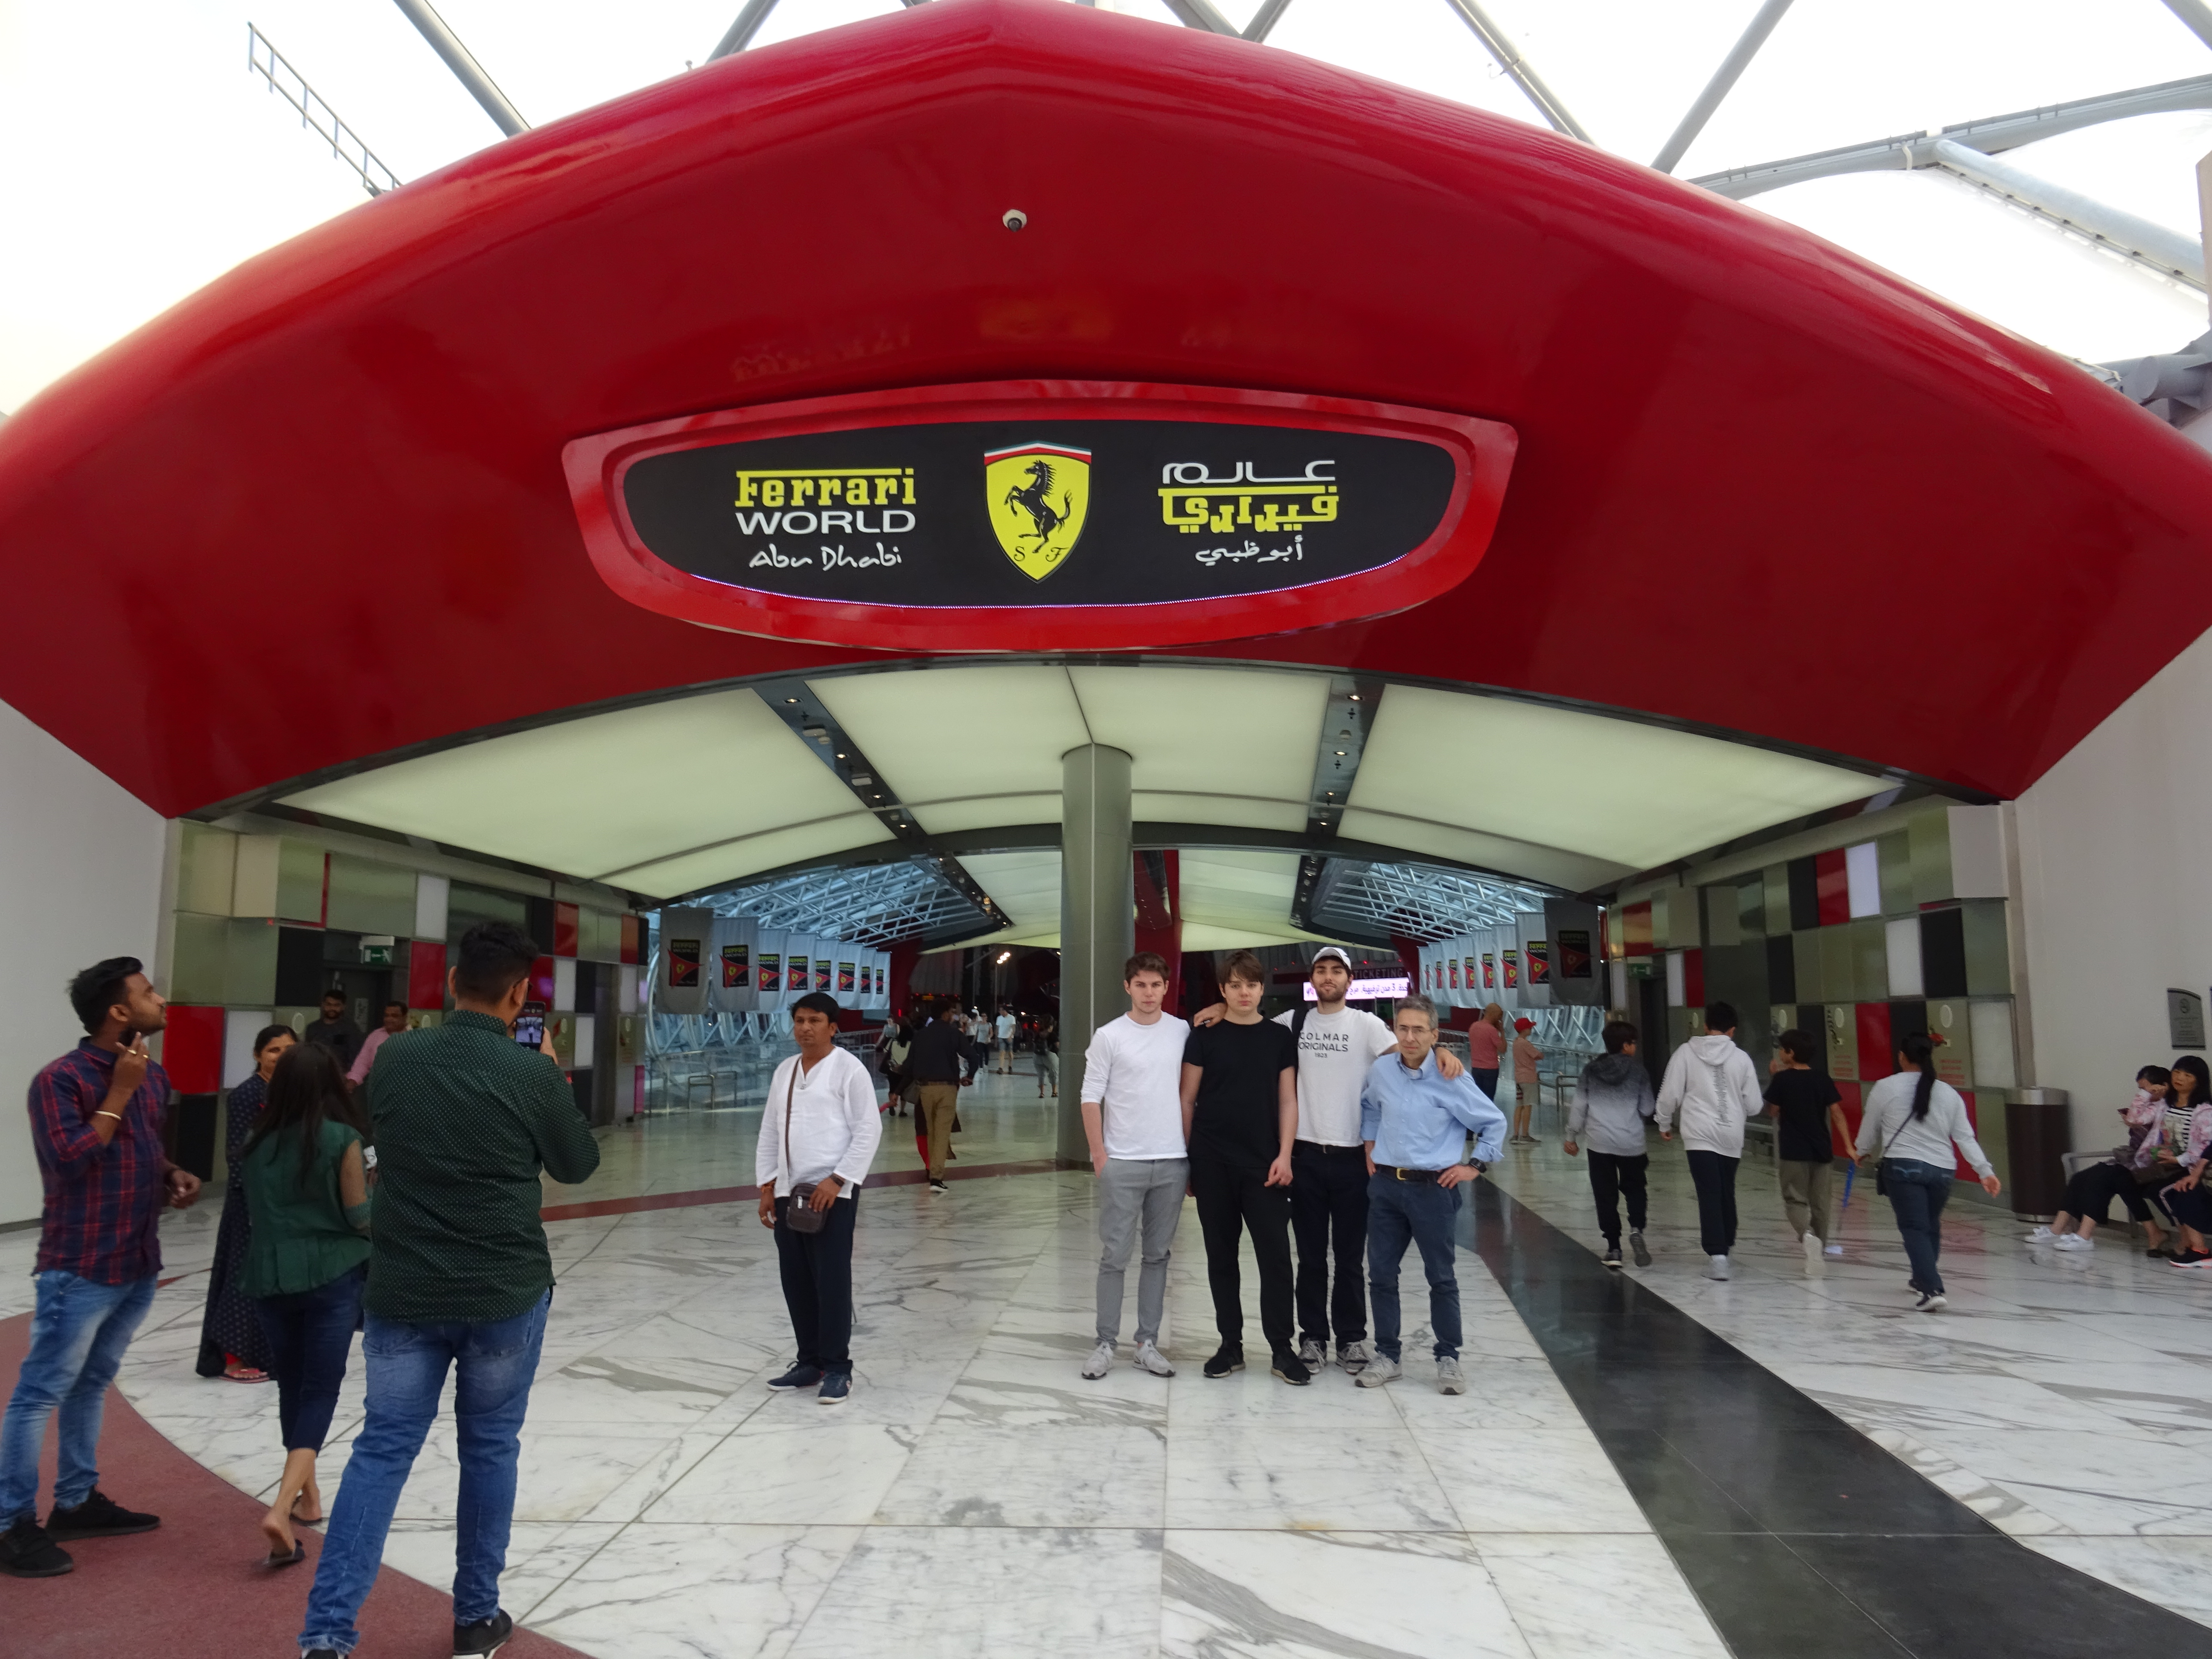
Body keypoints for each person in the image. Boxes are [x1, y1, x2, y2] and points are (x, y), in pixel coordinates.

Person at [296, 922, 600, 1659]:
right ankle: (474, 1620)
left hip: (404, 1289)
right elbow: (577, 1164)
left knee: (381, 1450)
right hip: (503, 1290)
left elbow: (382, 1128)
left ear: (453, 983)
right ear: (520, 995)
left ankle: (327, 1634)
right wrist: (550, 1074)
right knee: (489, 1448)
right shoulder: (529, 1072)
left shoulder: (397, 1055)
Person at [0, 957, 201, 1579]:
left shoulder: (152, 1074)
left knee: (92, 1383)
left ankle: (76, 1501)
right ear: (118, 1012)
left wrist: (171, 1173)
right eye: (147, 993)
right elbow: (69, 1160)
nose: (160, 1000)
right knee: (39, 1394)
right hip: (81, 1264)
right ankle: (9, 1524)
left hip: (136, 1260)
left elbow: (143, 1146)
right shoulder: (60, 1080)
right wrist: (118, 1092)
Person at [1192, 945, 1466, 1374]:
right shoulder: (1292, 1023)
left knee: (1350, 1256)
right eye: (1321, 970)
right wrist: (1218, 1007)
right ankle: (1314, 1338)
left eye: (1337, 971)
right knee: (1311, 1257)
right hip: (1304, 1155)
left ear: (1349, 980)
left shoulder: (1366, 1025)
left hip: (1353, 1155)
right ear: (1312, 980)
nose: (1328, 977)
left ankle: (1352, 1338)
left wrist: (1442, 1051)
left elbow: (1409, 1050)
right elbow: (1247, 1017)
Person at [239, 1041, 372, 1566]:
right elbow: (359, 1216)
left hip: (270, 1275)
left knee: (291, 1385)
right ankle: (280, 1507)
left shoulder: (254, 1143)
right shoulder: (342, 1139)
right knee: (320, 1390)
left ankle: (308, 1497)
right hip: (331, 1276)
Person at [1355, 994, 1505, 1394]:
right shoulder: (1382, 1071)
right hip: (1386, 1187)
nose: (1409, 1037)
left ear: (1434, 1035)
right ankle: (1388, 1355)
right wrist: (1370, 1144)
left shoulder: (1451, 1076)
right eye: (1402, 1028)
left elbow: (1493, 1122)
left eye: (1419, 1030)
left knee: (1441, 1277)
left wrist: (1475, 1166)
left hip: (1433, 1190)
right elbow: (1369, 1107)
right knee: (1381, 1275)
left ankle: (1448, 1357)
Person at [1180, 949, 1304, 1383]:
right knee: (1221, 1255)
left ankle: (1282, 1348)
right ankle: (1230, 1345)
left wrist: (1285, 1154)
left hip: (1265, 1164)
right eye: (1234, 985)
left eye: (1250, 984)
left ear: (1261, 988)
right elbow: (1187, 1099)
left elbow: (1288, 1100)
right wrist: (1188, 1159)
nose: (1244, 992)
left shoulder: (1278, 1038)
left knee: (1276, 1258)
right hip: (1212, 1160)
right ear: (1223, 990)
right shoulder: (1204, 1036)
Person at [757, 992, 882, 1405]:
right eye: (799, 1020)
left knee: (831, 1281)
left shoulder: (849, 1070)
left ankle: (838, 1368)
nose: (805, 1028)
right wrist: (767, 1186)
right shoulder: (785, 1071)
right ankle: (809, 1362)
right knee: (796, 1280)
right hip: (787, 1192)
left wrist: (839, 1179)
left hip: (832, 1194)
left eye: (815, 1021)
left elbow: (869, 1129)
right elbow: (770, 1131)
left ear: (833, 1027)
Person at [1079, 953, 1190, 1380]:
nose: (1148, 993)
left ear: (1166, 988)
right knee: (1115, 1256)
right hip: (1122, 1161)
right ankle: (1106, 1343)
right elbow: (1091, 1096)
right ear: (1128, 987)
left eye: (1155, 985)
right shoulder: (1110, 1036)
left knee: (1158, 1256)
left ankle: (1147, 1343)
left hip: (1171, 1160)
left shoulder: (1181, 1031)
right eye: (1140, 984)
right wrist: (1099, 1155)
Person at [1855, 1031, 2000, 1311]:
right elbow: (1964, 1137)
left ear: (1902, 1057)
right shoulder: (1948, 1093)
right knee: (1930, 1225)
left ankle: (1932, 1289)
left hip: (1903, 1167)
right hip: (1942, 1170)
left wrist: (1861, 1150)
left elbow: (1870, 1127)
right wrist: (1985, 1171)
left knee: (1914, 1227)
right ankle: (1922, 1277)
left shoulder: (1885, 1087)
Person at [196, 1023, 297, 1382]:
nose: (281, 1057)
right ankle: (232, 1358)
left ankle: (266, 1353)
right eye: (274, 1051)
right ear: (257, 1055)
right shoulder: (246, 1095)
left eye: (288, 1050)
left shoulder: (292, 1093)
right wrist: (257, 1205)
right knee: (243, 1274)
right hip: (251, 1203)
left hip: (282, 1203)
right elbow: (238, 1155)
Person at [1655, 1001, 1763, 1281]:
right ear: (1733, 1030)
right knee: (1726, 1189)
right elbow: (1754, 1106)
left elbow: (1669, 1094)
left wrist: (1664, 1123)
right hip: (1731, 1135)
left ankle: (1718, 1256)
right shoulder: (1742, 1059)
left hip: (1699, 1135)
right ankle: (1726, 1243)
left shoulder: (1686, 1053)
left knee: (1709, 1192)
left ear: (1705, 1026)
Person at [2026, 1065, 2174, 1256]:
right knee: (2080, 1178)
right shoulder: (2152, 1105)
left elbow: (2138, 1122)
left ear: (2163, 1086)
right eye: (2141, 1090)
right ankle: (2057, 1229)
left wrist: (2149, 1101)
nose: (2143, 1094)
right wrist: (2144, 1099)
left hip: (2154, 1164)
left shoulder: (2170, 1107)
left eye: (2146, 1089)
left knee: (2109, 1178)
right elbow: (2135, 1118)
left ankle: (2085, 1235)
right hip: (2135, 1160)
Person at [1563, 1020, 1656, 1269]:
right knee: (1636, 1189)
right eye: (1633, 1043)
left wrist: (1571, 1137)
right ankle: (1636, 1229)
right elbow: (1648, 1108)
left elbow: (1579, 1106)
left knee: (1605, 1195)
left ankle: (1614, 1248)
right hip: (1632, 1143)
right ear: (1625, 1045)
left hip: (1600, 1144)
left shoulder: (1591, 1071)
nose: (1635, 1047)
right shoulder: (1639, 1072)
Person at [1765, 1028, 1849, 1275]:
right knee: (1821, 1203)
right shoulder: (1822, 1079)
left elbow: (1773, 1111)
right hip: (1821, 1150)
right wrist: (1849, 1146)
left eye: (1782, 1049)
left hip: (1793, 1150)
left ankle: (1807, 1235)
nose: (1780, 1053)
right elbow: (1837, 1113)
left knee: (1795, 1199)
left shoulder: (1782, 1080)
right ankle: (1818, 1252)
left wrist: (1774, 1077)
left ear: (1790, 1053)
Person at [905, 1000, 975, 1193]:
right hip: (948, 1089)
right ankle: (936, 1178)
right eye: (952, 1012)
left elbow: (909, 1066)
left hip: (926, 1090)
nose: (953, 1016)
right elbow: (972, 1056)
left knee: (931, 1131)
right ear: (945, 1014)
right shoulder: (954, 1034)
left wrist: (897, 1091)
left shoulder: (920, 1035)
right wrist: (970, 1076)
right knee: (942, 1132)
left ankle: (932, 1170)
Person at [2150, 1055, 2212, 1266]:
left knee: (2180, 1192)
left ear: (2199, 1081)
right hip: (2187, 1165)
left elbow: (2205, 1146)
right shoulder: (2165, 1103)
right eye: (2177, 1072)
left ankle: (2197, 1248)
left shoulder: (2205, 1110)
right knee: (2135, 1183)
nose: (2180, 1078)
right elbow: (2139, 1120)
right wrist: (2148, 1095)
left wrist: (2182, 1162)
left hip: (2193, 1166)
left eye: (2188, 1075)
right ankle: (2194, 1246)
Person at [300, 988, 364, 1074]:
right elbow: (307, 1054)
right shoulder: (312, 1028)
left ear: (343, 1007)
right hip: (315, 1074)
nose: (332, 1008)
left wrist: (349, 1077)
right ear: (323, 1005)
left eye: (337, 1005)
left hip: (341, 1075)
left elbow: (356, 1057)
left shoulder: (351, 1029)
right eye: (329, 1005)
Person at [346, 1001, 408, 1089]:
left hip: (404, 1088)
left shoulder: (413, 1037)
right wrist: (352, 1081)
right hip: (378, 1088)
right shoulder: (376, 1036)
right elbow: (363, 1062)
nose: (389, 1019)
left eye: (394, 1016)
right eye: (387, 1016)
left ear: (405, 1017)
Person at [1509, 1017, 1544, 1143]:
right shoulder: (1525, 1043)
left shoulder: (1515, 1042)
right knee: (1528, 1106)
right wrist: (1541, 1055)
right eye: (1529, 1027)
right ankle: (1525, 1135)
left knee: (1519, 1106)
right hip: (1529, 1078)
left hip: (1519, 1077)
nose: (1531, 1029)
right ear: (1524, 1030)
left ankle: (1515, 1135)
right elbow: (1538, 1055)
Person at [1467, 1003, 1507, 1105]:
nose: (1499, 1019)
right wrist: (1502, 1032)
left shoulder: (1474, 1026)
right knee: (1489, 1099)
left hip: (1476, 1067)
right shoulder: (1491, 1030)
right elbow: (1503, 1049)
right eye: (1499, 1016)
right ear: (1493, 1015)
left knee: (1478, 1097)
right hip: (1490, 1069)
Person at [1035, 1013, 1059, 1099]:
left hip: (1037, 1056)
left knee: (1041, 1075)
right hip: (1050, 1056)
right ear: (1051, 1026)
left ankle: (1042, 1093)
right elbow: (1058, 1046)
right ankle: (1054, 1092)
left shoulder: (1039, 1034)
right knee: (1054, 1074)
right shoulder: (1052, 1035)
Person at [995, 1006, 1017, 1074]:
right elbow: (997, 1028)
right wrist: (996, 1037)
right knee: (1002, 1053)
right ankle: (1001, 1068)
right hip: (1001, 1037)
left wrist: (1011, 1036)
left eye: (1001, 1010)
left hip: (1009, 1038)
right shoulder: (999, 1018)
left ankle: (1010, 1066)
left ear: (1005, 1011)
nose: (1000, 1012)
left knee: (1010, 1053)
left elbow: (1014, 1028)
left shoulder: (1012, 1018)